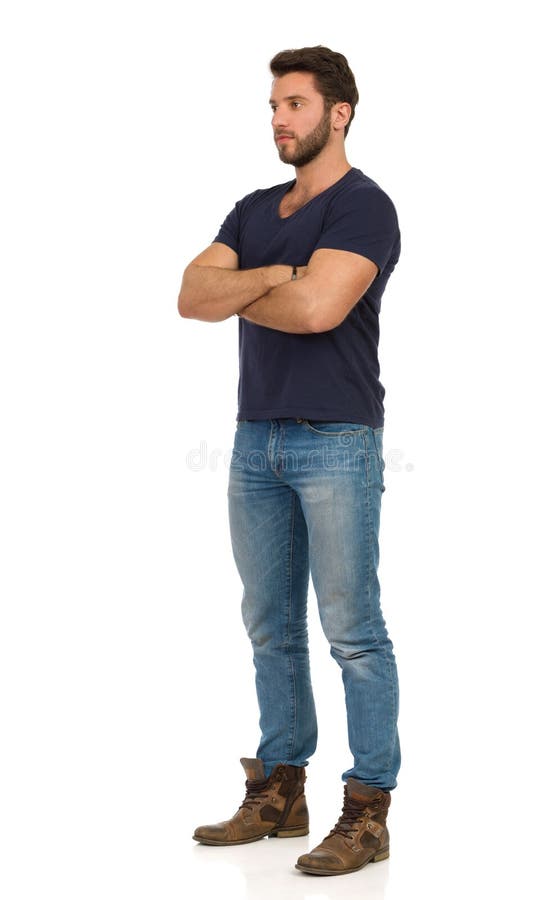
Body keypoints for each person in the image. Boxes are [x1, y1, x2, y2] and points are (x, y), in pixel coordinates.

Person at [178, 45, 401, 877]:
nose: (279, 118)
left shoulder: (365, 207)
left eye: (296, 105)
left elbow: (318, 310)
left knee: (354, 634)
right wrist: (276, 269)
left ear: (337, 113)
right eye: (275, 105)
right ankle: (280, 789)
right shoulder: (253, 209)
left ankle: (369, 810)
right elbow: (191, 296)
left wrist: (254, 287)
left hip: (338, 438)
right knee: (269, 627)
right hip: (254, 439)